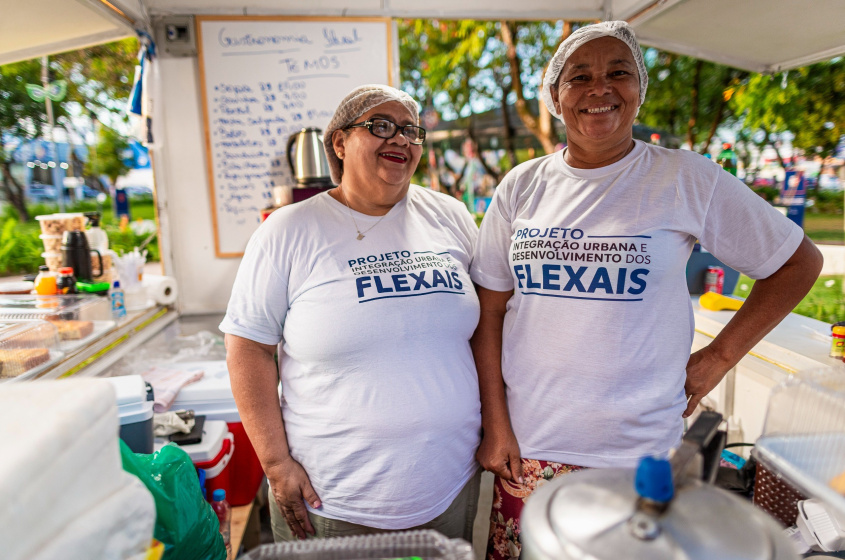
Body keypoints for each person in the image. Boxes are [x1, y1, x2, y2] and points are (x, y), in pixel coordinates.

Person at [469, 21, 823, 560]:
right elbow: (490, 312)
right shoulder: (522, 185)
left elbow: (797, 262)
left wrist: (720, 355)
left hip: (641, 452)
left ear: (639, 89)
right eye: (579, 76)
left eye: (619, 72)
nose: (600, 88)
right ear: (556, 97)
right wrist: (496, 424)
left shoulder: (685, 177)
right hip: (532, 444)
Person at [219, 84, 482, 542]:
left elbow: (483, 328)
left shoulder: (451, 216)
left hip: (450, 485)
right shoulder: (288, 230)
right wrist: (276, 463)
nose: (401, 139)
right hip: (334, 500)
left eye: (410, 130)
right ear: (339, 143)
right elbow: (247, 348)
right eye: (381, 126)